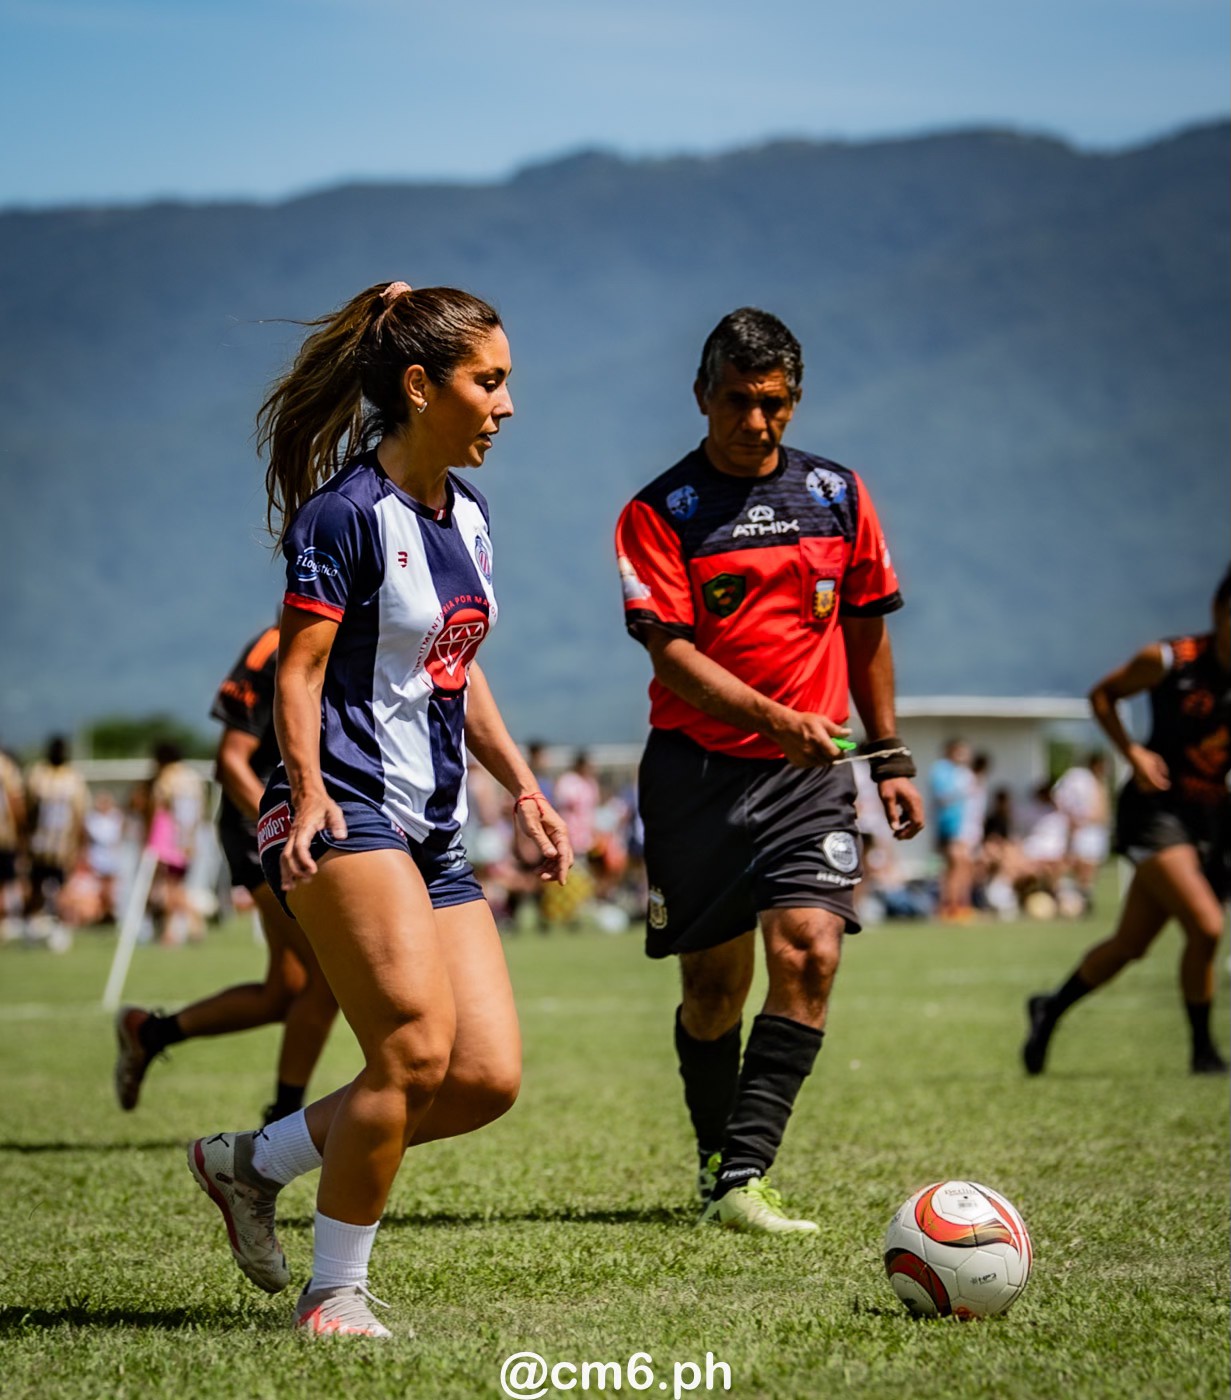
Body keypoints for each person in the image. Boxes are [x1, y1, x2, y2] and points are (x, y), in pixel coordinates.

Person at [185, 280, 572, 1339]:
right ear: (419, 385)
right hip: (341, 808)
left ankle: (246, 1162)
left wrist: (524, 787)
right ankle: (333, 1294)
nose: (505, 404)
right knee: (410, 1048)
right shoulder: (344, 515)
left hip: (432, 829)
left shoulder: (473, 516)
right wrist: (306, 787)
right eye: (487, 381)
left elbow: (459, 667)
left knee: (483, 1076)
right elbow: (297, 673)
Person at [614, 306, 924, 1234]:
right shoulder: (656, 512)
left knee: (810, 952)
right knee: (713, 992)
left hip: (809, 774)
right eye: (741, 402)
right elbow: (669, 656)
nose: (759, 422)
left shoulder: (837, 494)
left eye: (776, 403)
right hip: (695, 776)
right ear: (702, 396)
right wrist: (770, 717)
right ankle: (717, 1165)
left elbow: (865, 625)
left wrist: (889, 750)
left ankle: (744, 1175)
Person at [114, 623, 338, 1124]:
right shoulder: (276, 646)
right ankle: (282, 1122)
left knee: (285, 990)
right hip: (260, 826)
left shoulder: (351, 638)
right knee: (326, 980)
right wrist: (282, 827)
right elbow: (230, 760)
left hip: (286, 823)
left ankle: (149, 1033)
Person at [1024, 568, 1231, 1076]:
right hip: (1155, 812)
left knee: (1130, 945)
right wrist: (1132, 752)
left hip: (1207, 818)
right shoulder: (1171, 660)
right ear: (1221, 613)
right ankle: (1203, 1052)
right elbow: (1102, 696)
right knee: (1206, 926)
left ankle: (1050, 1008)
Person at [143, 741, 206, 943]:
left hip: (169, 842)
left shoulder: (166, 778)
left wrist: (150, 837)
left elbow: (157, 808)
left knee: (170, 888)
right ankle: (175, 930)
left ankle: (190, 924)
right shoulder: (193, 777)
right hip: (188, 841)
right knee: (176, 886)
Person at [24, 735, 88, 922]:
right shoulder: (38, 774)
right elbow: (28, 810)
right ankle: (33, 925)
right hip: (40, 844)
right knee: (36, 885)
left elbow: (79, 815)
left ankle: (61, 925)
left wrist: (79, 844)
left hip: (63, 846)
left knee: (63, 887)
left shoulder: (72, 778)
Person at [1053, 751, 1111, 908]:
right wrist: (1075, 820)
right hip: (1085, 830)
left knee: (1091, 866)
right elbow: (1060, 796)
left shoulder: (1100, 782)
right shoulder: (1079, 778)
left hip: (1097, 831)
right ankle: (1069, 895)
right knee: (1080, 863)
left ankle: (1083, 897)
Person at [929, 739, 974, 920]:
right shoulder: (942, 769)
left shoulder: (960, 772)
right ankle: (950, 906)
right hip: (948, 825)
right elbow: (943, 797)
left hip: (961, 826)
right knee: (954, 867)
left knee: (962, 866)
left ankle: (958, 905)